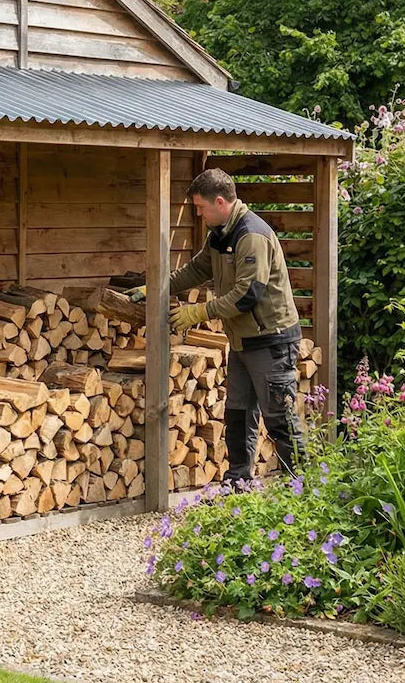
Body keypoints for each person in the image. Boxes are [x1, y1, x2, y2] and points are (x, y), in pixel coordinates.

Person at [126, 168, 306, 483]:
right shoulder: (220, 235)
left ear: (220, 202)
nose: (198, 213)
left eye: (200, 207)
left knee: (279, 418)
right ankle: (238, 481)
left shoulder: (251, 235)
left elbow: (247, 294)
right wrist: (153, 288)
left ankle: (309, 488)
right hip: (242, 341)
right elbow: (195, 270)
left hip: (271, 341)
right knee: (237, 413)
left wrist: (198, 313)